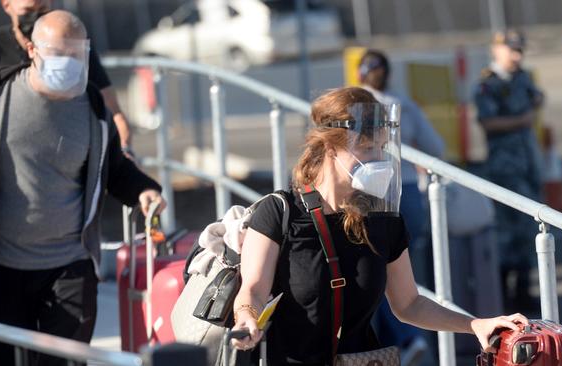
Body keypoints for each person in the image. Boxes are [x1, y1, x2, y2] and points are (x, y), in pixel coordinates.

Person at [230, 87, 527, 365]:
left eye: (382, 147)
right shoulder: (279, 213)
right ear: (330, 148)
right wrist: (246, 318)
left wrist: (474, 324)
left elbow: (409, 304)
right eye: (368, 147)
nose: (378, 160)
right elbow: (253, 289)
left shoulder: (383, 221)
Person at [0, 10, 165, 366]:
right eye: (58, 54)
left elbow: (114, 167)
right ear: (32, 50)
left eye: (77, 55)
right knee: (6, 359)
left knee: (67, 361)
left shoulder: (93, 107)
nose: (69, 64)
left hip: (69, 265)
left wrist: (143, 190)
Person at [0, 0, 133, 155]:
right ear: (7, 4)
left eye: (43, 8)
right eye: (29, 9)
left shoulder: (73, 51)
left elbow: (113, 113)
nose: (36, 17)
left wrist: (124, 152)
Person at [357, 49, 446, 365]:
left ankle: (399, 341)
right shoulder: (403, 103)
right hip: (407, 191)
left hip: (369, 194)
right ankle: (414, 337)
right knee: (409, 276)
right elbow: (436, 147)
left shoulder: (353, 106)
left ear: (359, 74)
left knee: (374, 273)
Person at [474, 29, 544, 313]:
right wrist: (522, 120)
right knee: (505, 232)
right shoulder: (487, 84)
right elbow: (488, 123)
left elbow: (537, 97)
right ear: (497, 50)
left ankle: (524, 290)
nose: (517, 56)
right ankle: (503, 292)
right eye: (512, 50)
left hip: (527, 163)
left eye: (520, 51)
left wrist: (533, 107)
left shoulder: (521, 77)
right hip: (504, 168)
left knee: (528, 229)